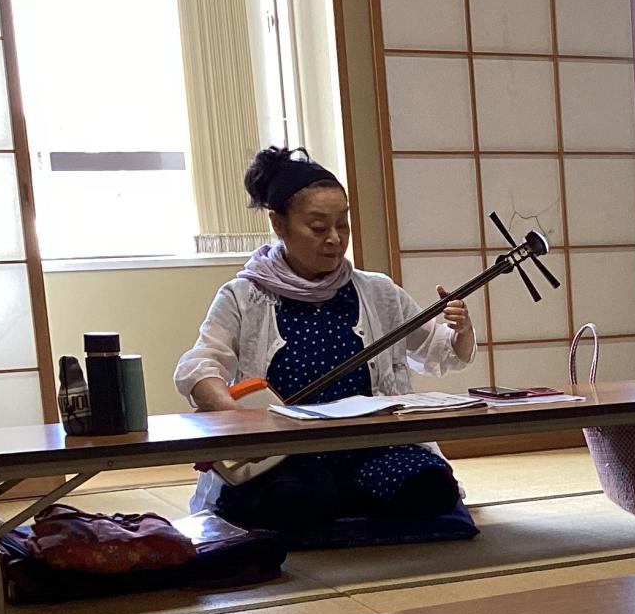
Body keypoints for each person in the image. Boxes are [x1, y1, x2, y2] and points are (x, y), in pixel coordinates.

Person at [174, 147, 475, 530]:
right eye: (318, 228)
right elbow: (200, 364)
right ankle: (335, 498)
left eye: (342, 225)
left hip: (371, 446)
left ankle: (347, 494)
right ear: (279, 225)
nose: (334, 239)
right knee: (299, 500)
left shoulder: (377, 291)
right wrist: (233, 414)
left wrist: (461, 329)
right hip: (288, 454)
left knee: (432, 488)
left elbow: (437, 348)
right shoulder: (244, 295)